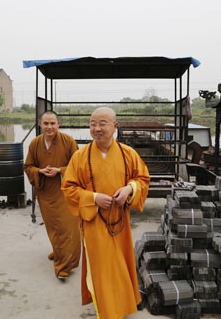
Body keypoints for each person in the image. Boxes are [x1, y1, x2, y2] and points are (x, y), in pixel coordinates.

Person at [61, 107, 150, 319]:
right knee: (101, 268)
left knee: (120, 263)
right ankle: (108, 311)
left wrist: (129, 189)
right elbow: (69, 188)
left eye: (102, 123)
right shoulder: (80, 156)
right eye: (93, 123)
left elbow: (142, 178)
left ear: (115, 126)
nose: (97, 128)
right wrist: (93, 198)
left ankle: (122, 302)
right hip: (94, 222)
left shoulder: (129, 154)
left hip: (120, 221)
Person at [24, 110, 80, 279]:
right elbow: (28, 166)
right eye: (46, 123)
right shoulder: (35, 143)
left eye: (52, 123)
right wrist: (39, 171)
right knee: (52, 226)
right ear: (40, 124)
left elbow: (77, 166)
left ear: (58, 124)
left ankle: (64, 265)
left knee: (67, 227)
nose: (49, 127)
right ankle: (58, 251)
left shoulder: (68, 141)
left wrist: (60, 170)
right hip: (45, 191)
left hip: (65, 191)